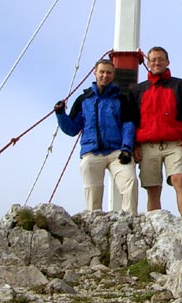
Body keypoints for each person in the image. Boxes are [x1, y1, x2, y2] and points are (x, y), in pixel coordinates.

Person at [54, 59, 138, 214]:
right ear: (95, 72)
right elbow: (72, 129)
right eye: (102, 72)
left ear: (113, 75)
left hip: (116, 151)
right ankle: (94, 218)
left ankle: (130, 217)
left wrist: (126, 149)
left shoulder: (121, 99)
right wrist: (60, 114)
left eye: (108, 72)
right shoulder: (83, 100)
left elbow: (128, 125)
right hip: (91, 151)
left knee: (129, 180)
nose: (105, 75)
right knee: (92, 189)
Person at [131, 46, 182, 218]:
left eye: (160, 59)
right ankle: (155, 226)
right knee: (153, 188)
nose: (156, 63)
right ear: (148, 63)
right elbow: (131, 120)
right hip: (148, 145)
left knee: (180, 179)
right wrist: (134, 144)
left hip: (174, 143)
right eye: (153, 60)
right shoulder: (137, 91)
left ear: (167, 61)